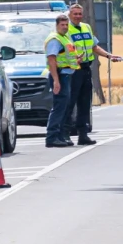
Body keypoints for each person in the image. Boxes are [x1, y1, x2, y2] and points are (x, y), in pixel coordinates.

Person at [65, 3, 123, 146]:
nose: (78, 16)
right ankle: (65, 134)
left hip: (86, 68)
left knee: (85, 103)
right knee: (70, 103)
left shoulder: (86, 27)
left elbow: (94, 47)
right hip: (73, 69)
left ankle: (83, 135)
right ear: (69, 15)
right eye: (75, 14)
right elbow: (64, 48)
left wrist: (109, 56)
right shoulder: (66, 29)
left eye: (80, 13)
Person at [44, 14, 78, 148]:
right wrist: (56, 81)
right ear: (57, 25)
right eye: (62, 25)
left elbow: (65, 57)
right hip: (59, 76)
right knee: (59, 107)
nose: (65, 27)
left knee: (63, 107)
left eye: (66, 25)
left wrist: (76, 59)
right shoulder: (55, 39)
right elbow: (52, 60)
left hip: (65, 75)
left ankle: (59, 136)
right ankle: (52, 137)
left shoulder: (64, 38)